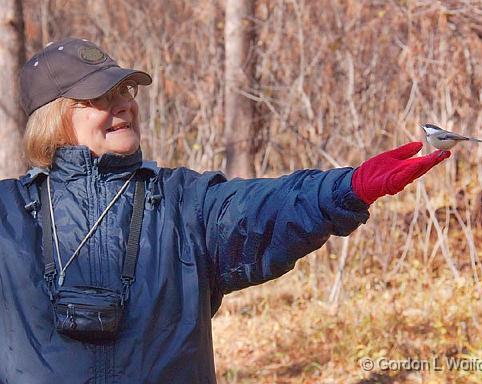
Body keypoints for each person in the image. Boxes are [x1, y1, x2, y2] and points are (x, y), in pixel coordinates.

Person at [0, 37, 450, 383]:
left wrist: (347, 187)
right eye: (100, 97)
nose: (124, 104)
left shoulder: (181, 202)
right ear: (55, 116)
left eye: (126, 90)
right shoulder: (9, 216)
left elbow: (265, 209)